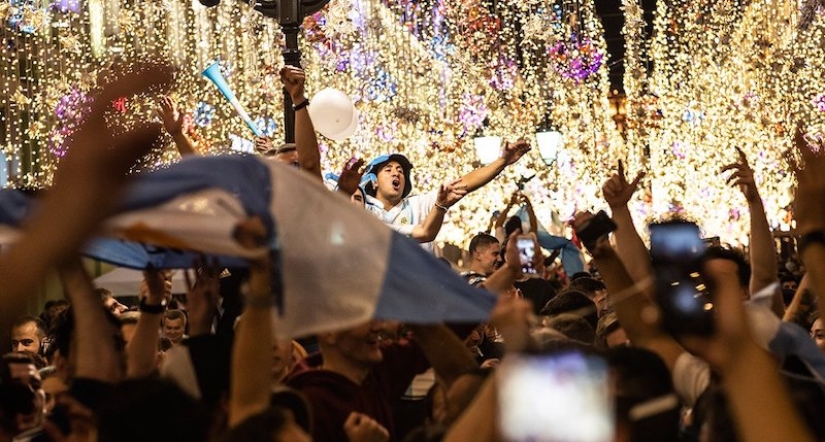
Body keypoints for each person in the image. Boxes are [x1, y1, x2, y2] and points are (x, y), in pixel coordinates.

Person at [363, 140, 531, 250]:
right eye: (388, 170)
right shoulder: (360, 209)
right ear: (374, 181)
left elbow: (465, 183)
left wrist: (502, 162)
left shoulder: (418, 204)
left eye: (400, 171)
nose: (396, 174)